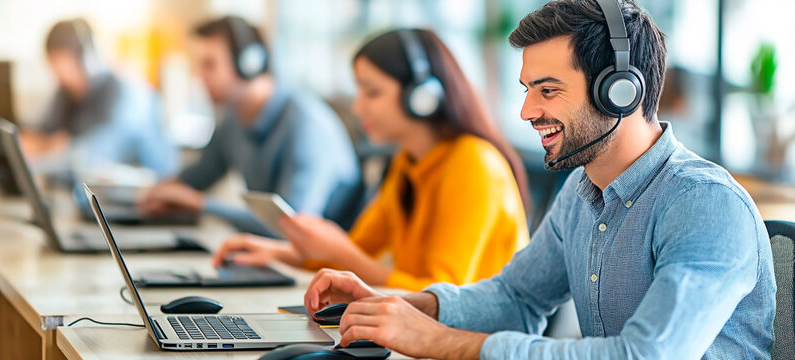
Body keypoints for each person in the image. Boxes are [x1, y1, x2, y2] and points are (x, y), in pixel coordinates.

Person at [299, 1, 775, 359]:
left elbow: (644, 355)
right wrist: (400, 306)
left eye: (547, 90)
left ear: (621, 92)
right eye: (528, 90)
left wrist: (446, 343)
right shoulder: (583, 190)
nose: (527, 111)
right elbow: (517, 296)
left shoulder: (704, 204)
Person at [211, 29, 531, 291]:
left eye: (372, 92)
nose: (358, 107)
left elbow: (439, 294)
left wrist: (340, 252)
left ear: (422, 96)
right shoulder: (410, 161)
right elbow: (359, 250)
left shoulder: (473, 164)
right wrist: (275, 253)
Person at [138, 16, 361, 236]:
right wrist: (159, 194)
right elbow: (197, 177)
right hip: (275, 256)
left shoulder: (306, 125)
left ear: (249, 64)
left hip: (320, 265)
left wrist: (201, 204)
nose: (199, 76)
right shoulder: (233, 119)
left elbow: (291, 227)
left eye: (209, 64)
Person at [22, 18, 178, 181]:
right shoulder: (67, 93)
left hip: (146, 191)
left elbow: (89, 157)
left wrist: (50, 146)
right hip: (95, 192)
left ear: (87, 58)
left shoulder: (119, 93)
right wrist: (46, 144)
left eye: (64, 65)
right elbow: (41, 133)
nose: (60, 76)